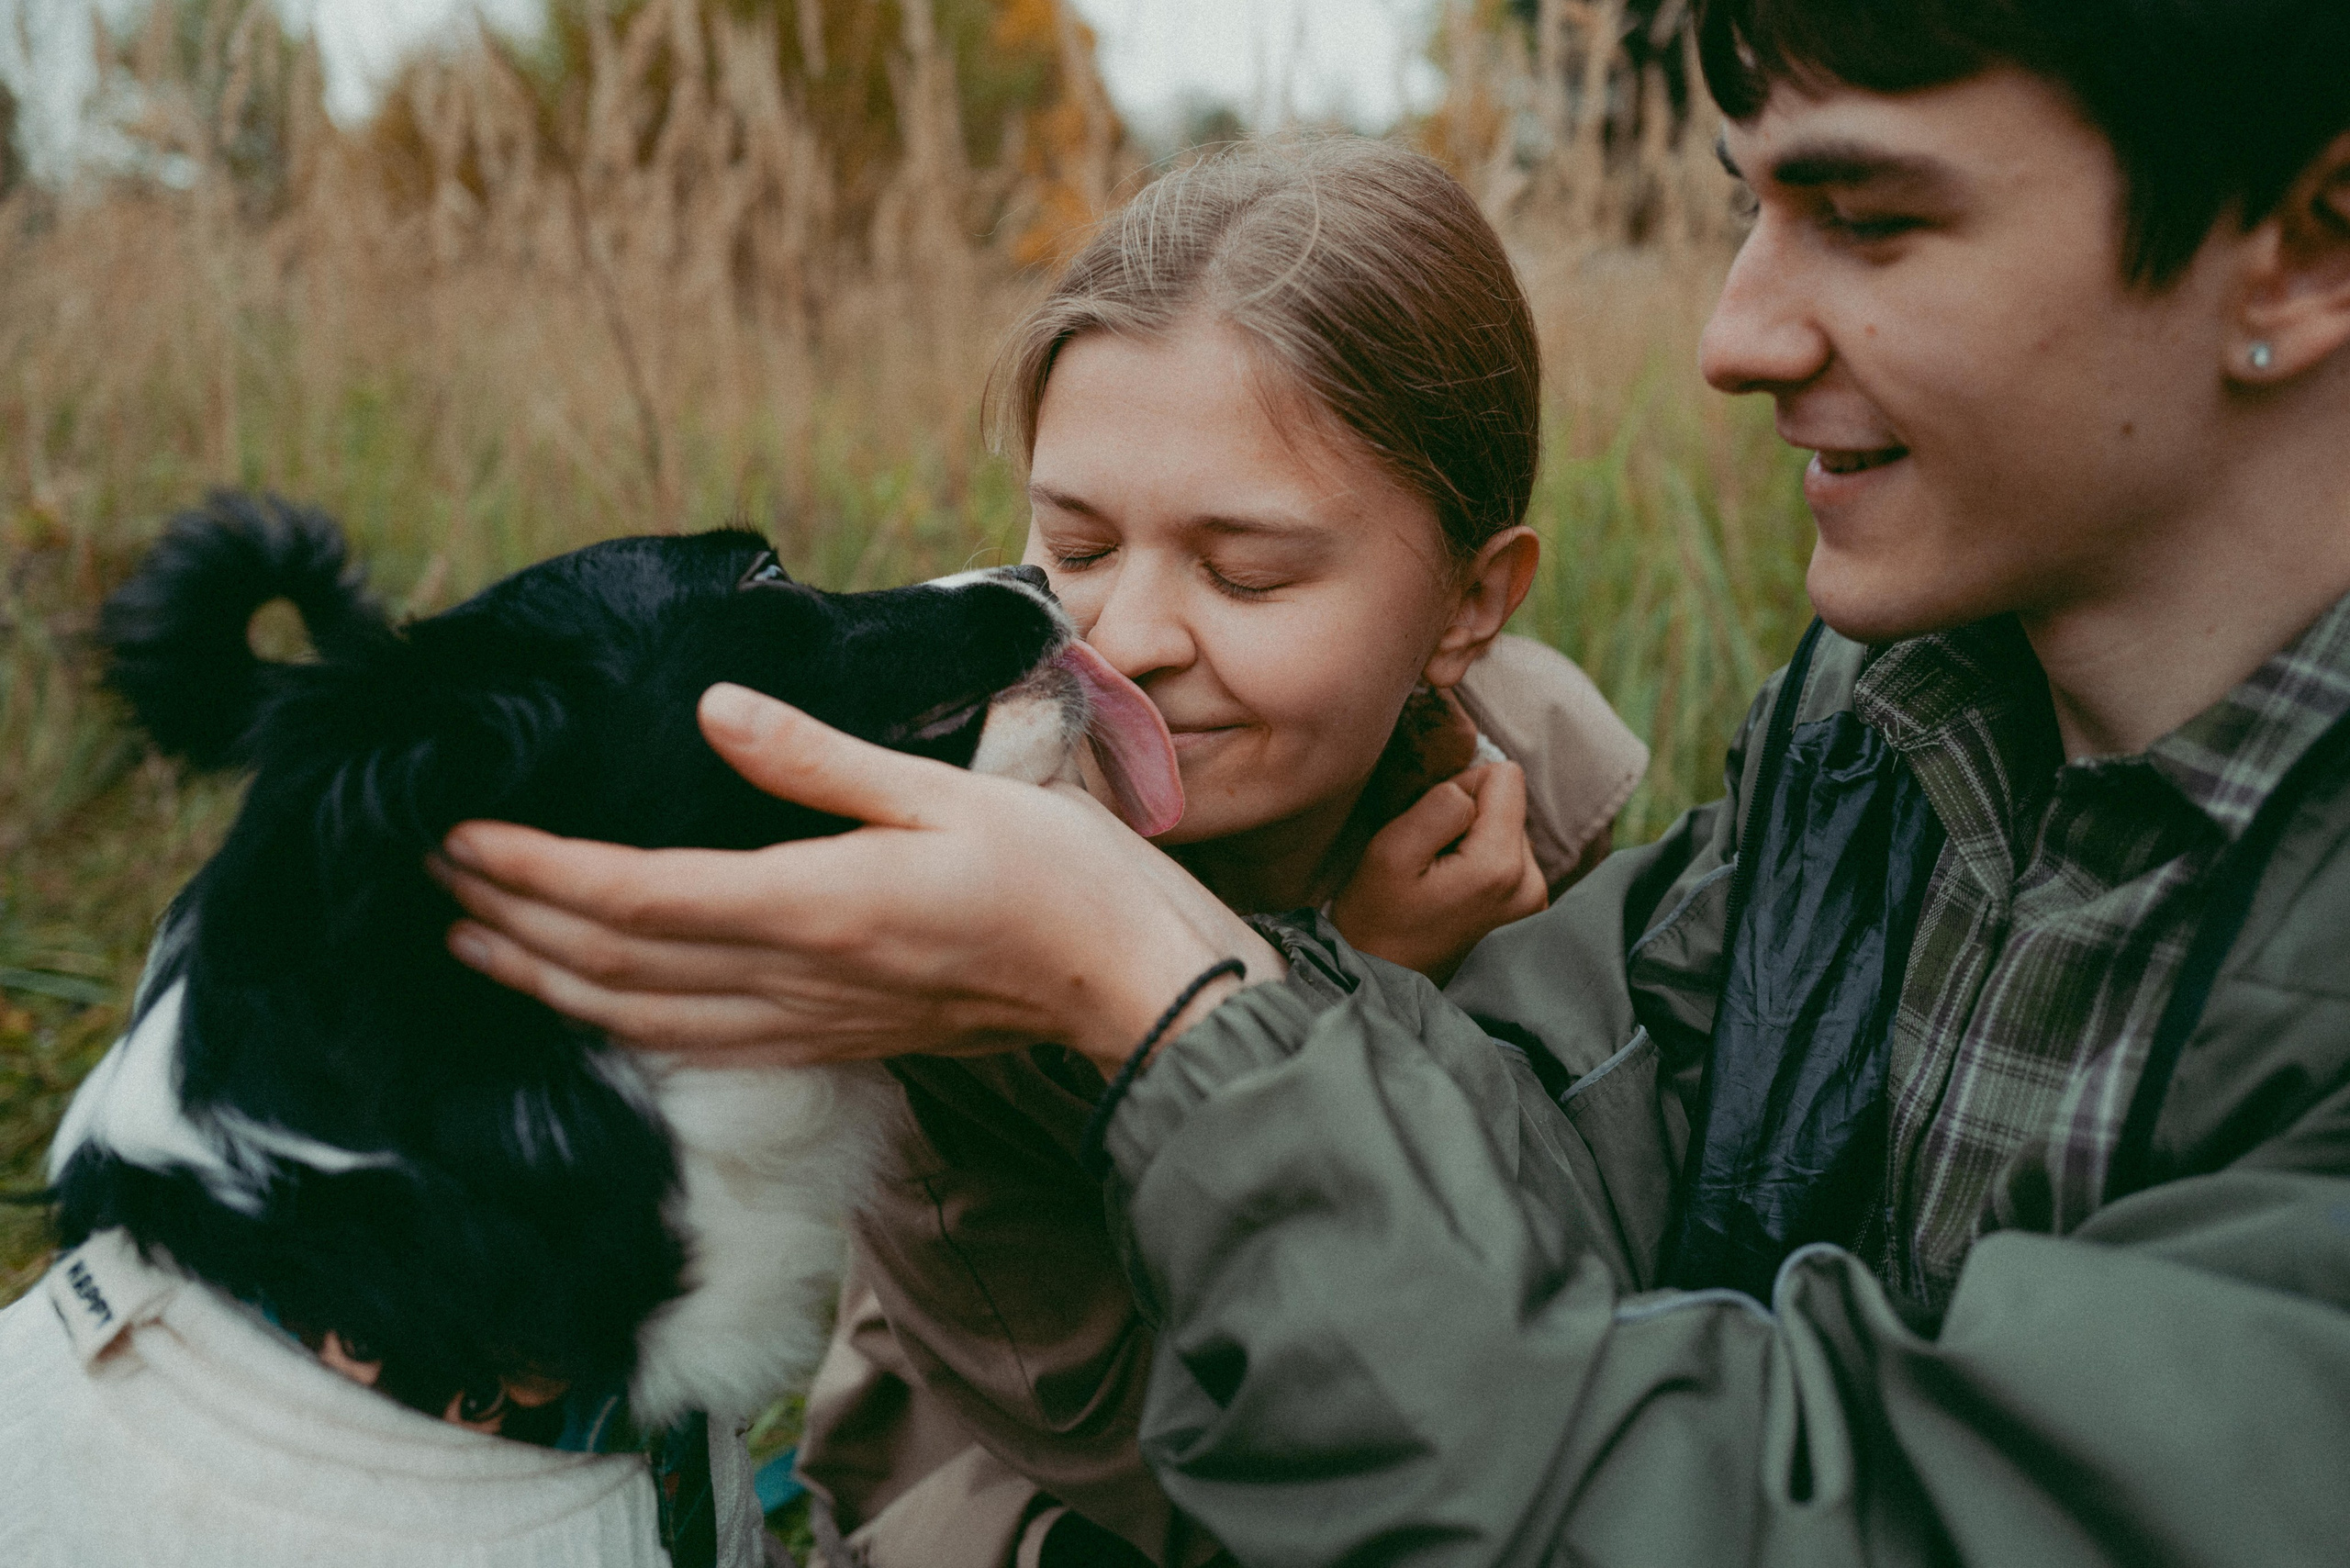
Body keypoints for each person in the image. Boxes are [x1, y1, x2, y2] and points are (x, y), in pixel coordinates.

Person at [435, 0, 2350, 1561]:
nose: (1731, 334)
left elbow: (1698, 1469)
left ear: (2304, 238)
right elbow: (1553, 1183)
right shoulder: (1877, 732)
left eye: (1870, 219)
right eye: (1745, 211)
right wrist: (1218, 977)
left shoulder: (1559, 769)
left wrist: (1152, 983)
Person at [774, 139, 1649, 1568]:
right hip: (1038, 1499)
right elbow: (1193, 1458)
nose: (1121, 642)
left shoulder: (1541, 793)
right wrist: (1344, 995)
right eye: (1077, 542)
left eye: (1246, 572)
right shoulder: (958, 934)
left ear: (1469, 606)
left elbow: (1590, 1269)